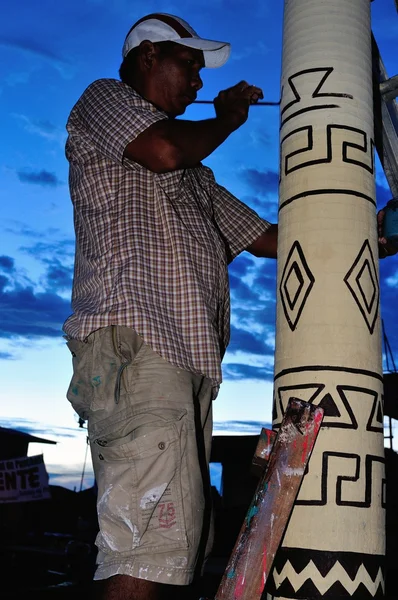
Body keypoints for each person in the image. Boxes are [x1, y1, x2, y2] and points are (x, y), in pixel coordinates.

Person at [63, 12, 395, 600]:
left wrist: (370, 231)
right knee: (148, 548)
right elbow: (163, 148)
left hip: (182, 366)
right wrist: (226, 119)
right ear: (147, 57)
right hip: (136, 348)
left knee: (176, 542)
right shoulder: (104, 101)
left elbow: (273, 237)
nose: (197, 82)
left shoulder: (197, 179)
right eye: (188, 65)